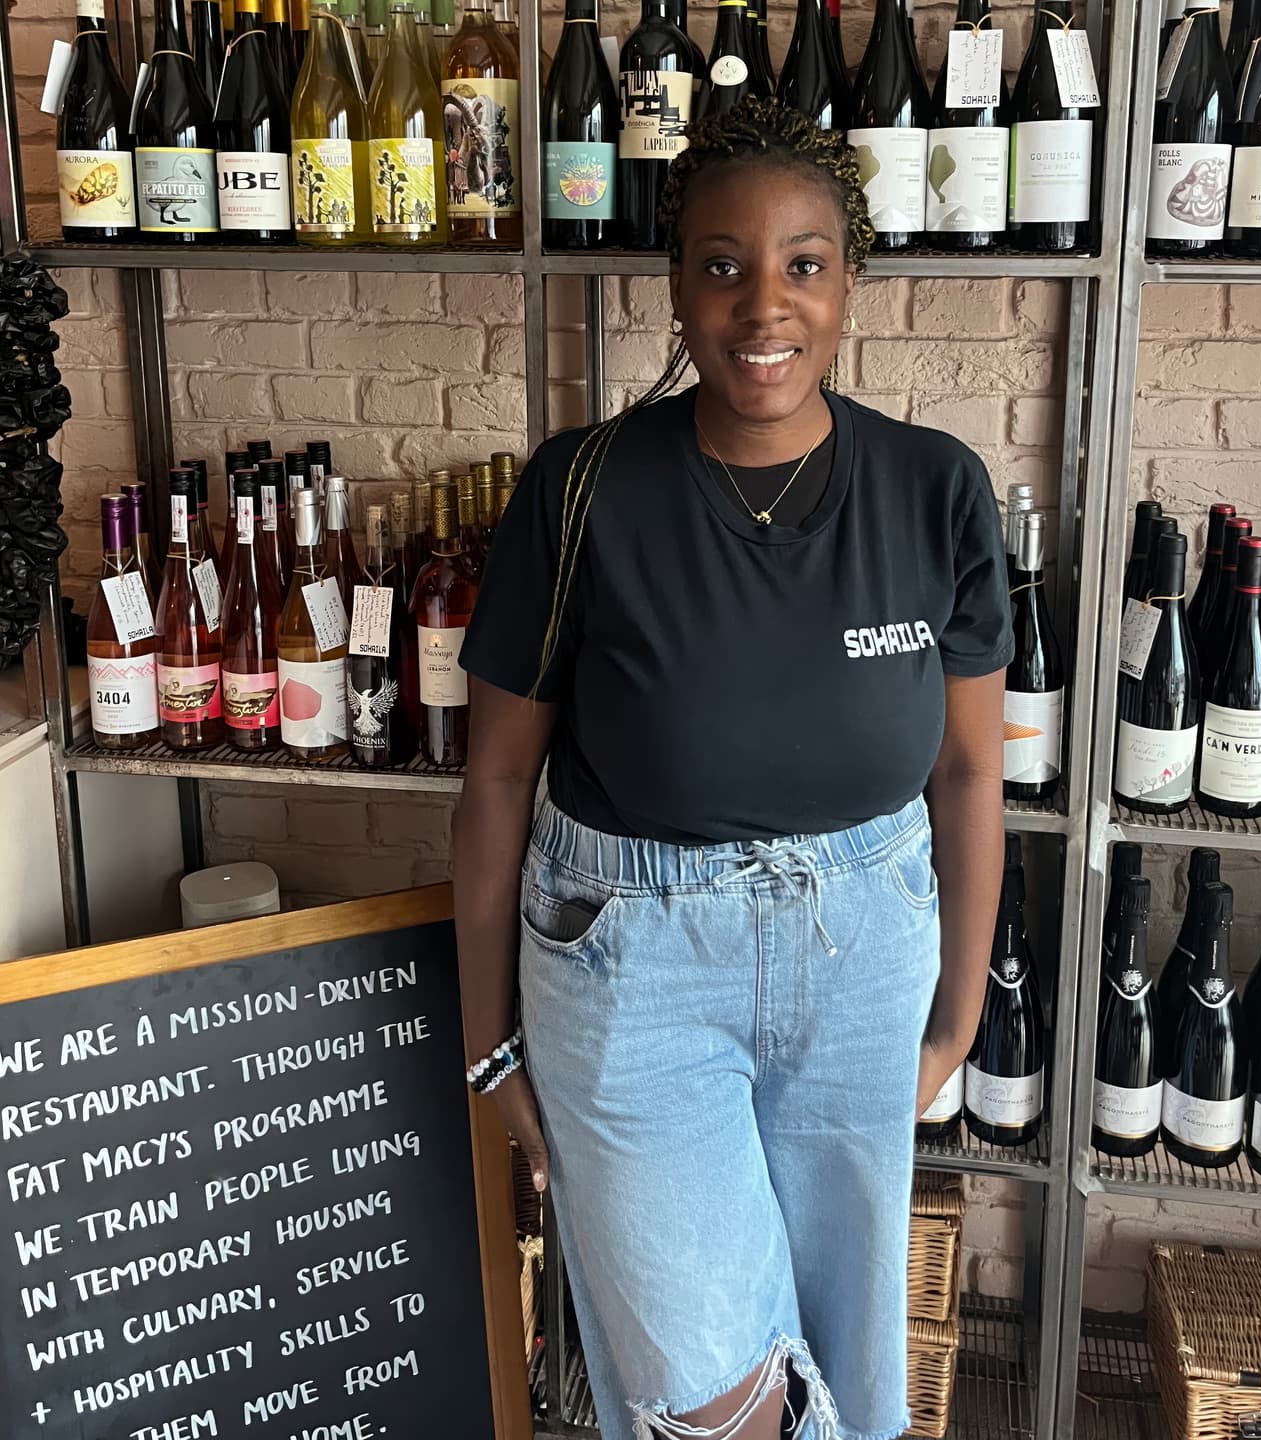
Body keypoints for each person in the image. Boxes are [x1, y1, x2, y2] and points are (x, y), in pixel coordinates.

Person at [454, 97, 1011, 1440]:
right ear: (674, 286)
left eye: (804, 264)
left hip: (863, 954)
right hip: (629, 968)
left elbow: (971, 777)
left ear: (850, 284)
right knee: (714, 1396)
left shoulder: (936, 488)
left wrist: (958, 1014)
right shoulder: (579, 487)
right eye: (721, 264)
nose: (764, 304)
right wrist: (486, 1050)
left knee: (846, 1354)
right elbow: (491, 788)